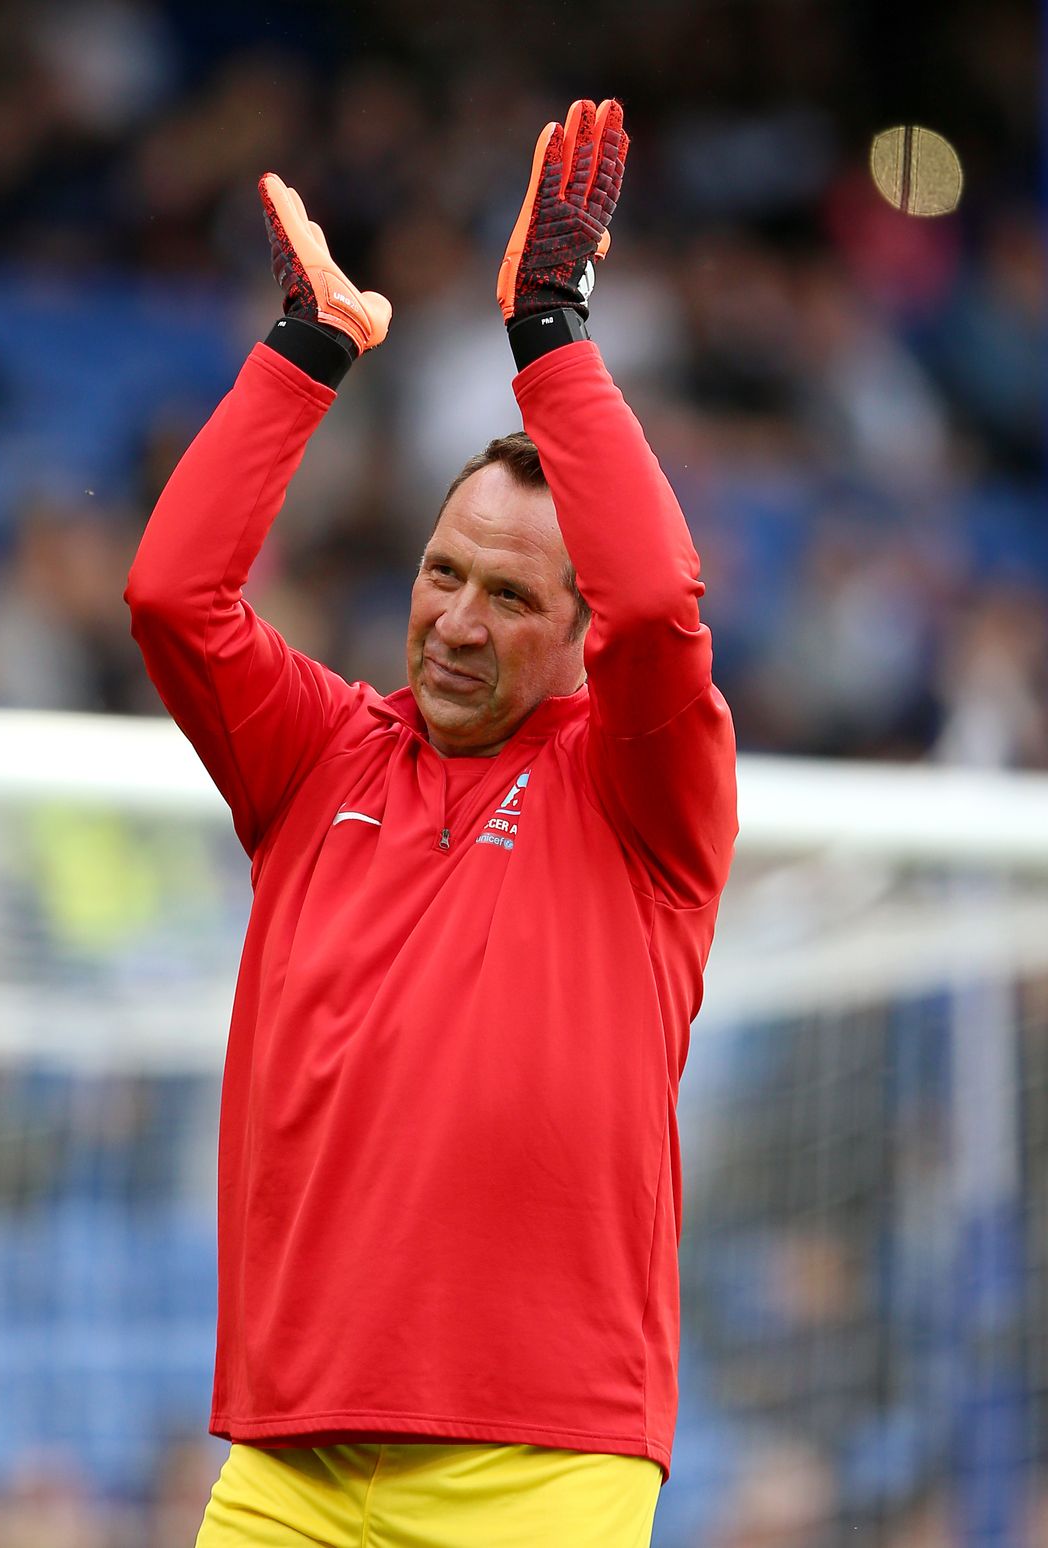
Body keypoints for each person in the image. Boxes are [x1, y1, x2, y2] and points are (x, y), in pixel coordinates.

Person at [126, 98, 737, 1548]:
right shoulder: (317, 753)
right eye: (442, 571)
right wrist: (306, 355)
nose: (457, 621)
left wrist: (553, 343)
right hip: (293, 1463)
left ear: (583, 635)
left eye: (513, 595)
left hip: (542, 1464)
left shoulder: (641, 787)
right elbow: (171, 598)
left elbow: (659, 599)